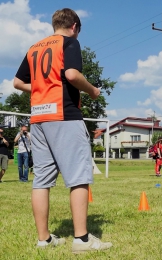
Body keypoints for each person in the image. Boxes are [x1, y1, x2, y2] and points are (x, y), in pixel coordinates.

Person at [13, 8, 112, 253]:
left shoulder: (34, 48)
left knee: (42, 181)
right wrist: (92, 91)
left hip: (38, 119)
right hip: (65, 116)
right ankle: (82, 239)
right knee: (79, 176)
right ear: (75, 27)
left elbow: (17, 82)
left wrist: (41, 89)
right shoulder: (69, 43)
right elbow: (71, 74)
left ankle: (43, 239)